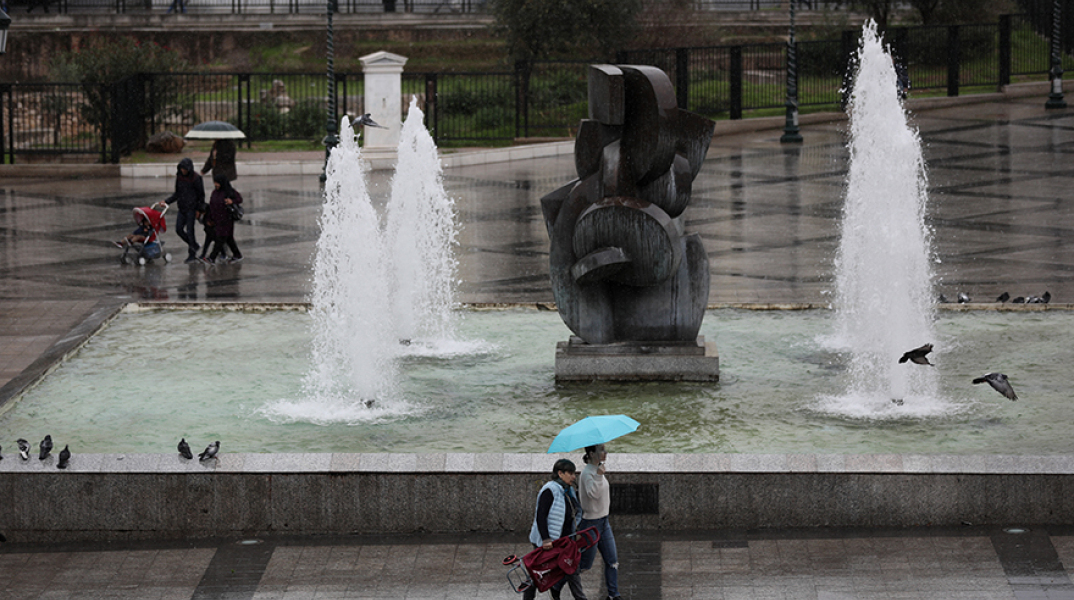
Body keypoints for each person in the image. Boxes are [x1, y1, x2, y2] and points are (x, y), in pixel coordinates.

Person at [525, 459, 587, 600]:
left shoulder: (569, 490)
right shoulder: (550, 490)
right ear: (560, 473)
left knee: (572, 571)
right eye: (570, 473)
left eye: (574, 473)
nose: (573, 476)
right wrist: (546, 539)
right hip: (547, 541)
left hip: (564, 541)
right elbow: (541, 516)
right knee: (536, 575)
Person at [578, 445, 621, 600]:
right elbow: (592, 494)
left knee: (612, 561)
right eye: (601, 450)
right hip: (590, 524)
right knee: (584, 564)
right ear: (591, 454)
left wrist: (599, 474)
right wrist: (598, 475)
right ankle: (557, 585)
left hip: (604, 522)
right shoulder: (587, 473)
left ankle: (613, 595)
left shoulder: (597, 469)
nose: (605, 453)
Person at [158, 158, 205, 264]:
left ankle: (192, 254)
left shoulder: (196, 178)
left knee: (190, 231)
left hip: (192, 209)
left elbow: (201, 195)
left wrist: (199, 209)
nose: (183, 171)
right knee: (179, 229)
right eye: (182, 168)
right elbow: (177, 193)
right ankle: (194, 245)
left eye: (185, 169)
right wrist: (166, 201)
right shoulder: (179, 177)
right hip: (182, 208)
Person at [203, 173, 243, 264]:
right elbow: (211, 206)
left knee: (220, 239)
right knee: (228, 239)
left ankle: (212, 257)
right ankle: (237, 254)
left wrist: (231, 201)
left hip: (227, 220)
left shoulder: (229, 191)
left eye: (217, 183)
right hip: (217, 220)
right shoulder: (214, 193)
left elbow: (239, 199)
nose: (216, 185)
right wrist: (210, 218)